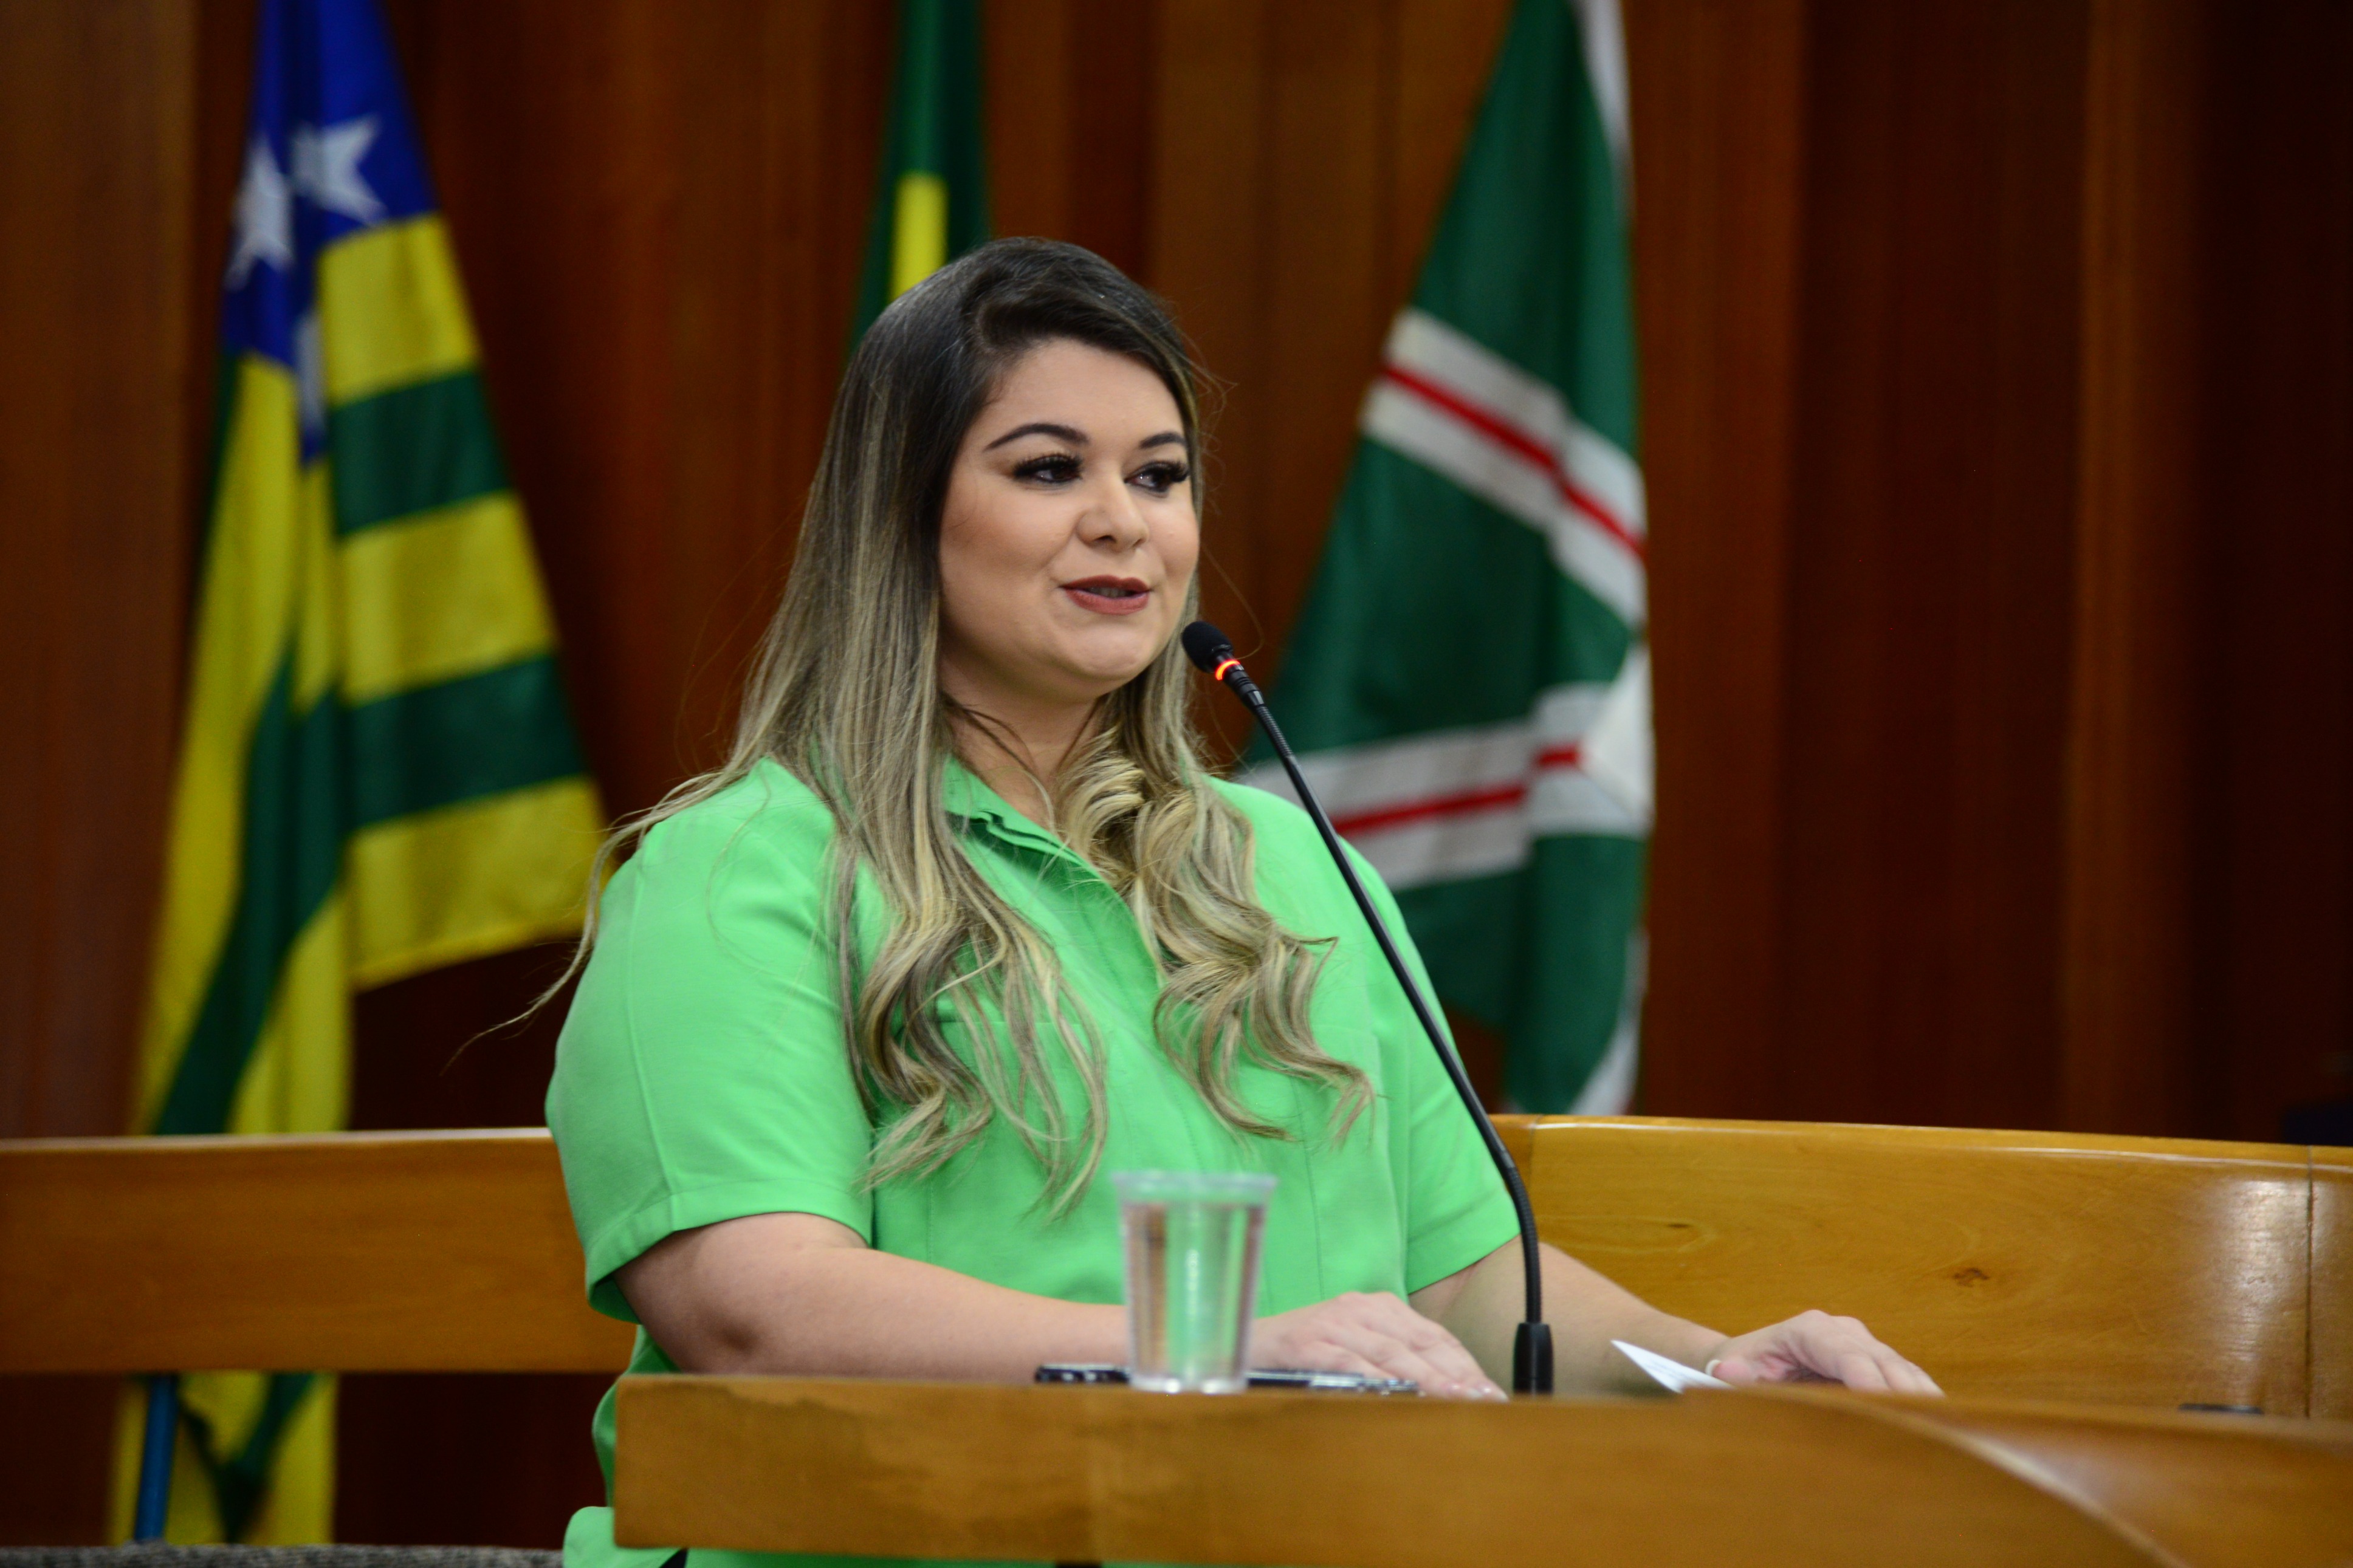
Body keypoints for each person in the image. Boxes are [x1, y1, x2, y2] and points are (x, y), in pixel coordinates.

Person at [546, 238, 1938, 1568]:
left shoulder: (1291, 860)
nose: (1122, 518)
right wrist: (1212, 1353)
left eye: (1159, 475)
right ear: (900, 519)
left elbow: (1457, 1284)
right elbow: (757, 1308)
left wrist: (1714, 1367)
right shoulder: (735, 873)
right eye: (1048, 468)